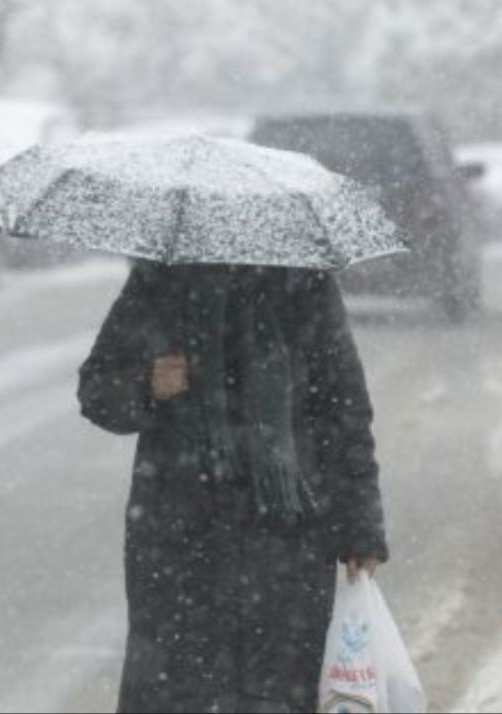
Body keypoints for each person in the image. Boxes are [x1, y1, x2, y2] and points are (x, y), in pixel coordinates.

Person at [78, 260, 387, 714]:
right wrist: (148, 384)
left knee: (276, 691)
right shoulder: (161, 280)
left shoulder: (305, 282)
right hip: (178, 541)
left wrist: (361, 528)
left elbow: (345, 414)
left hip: (287, 542)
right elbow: (97, 389)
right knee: (179, 692)